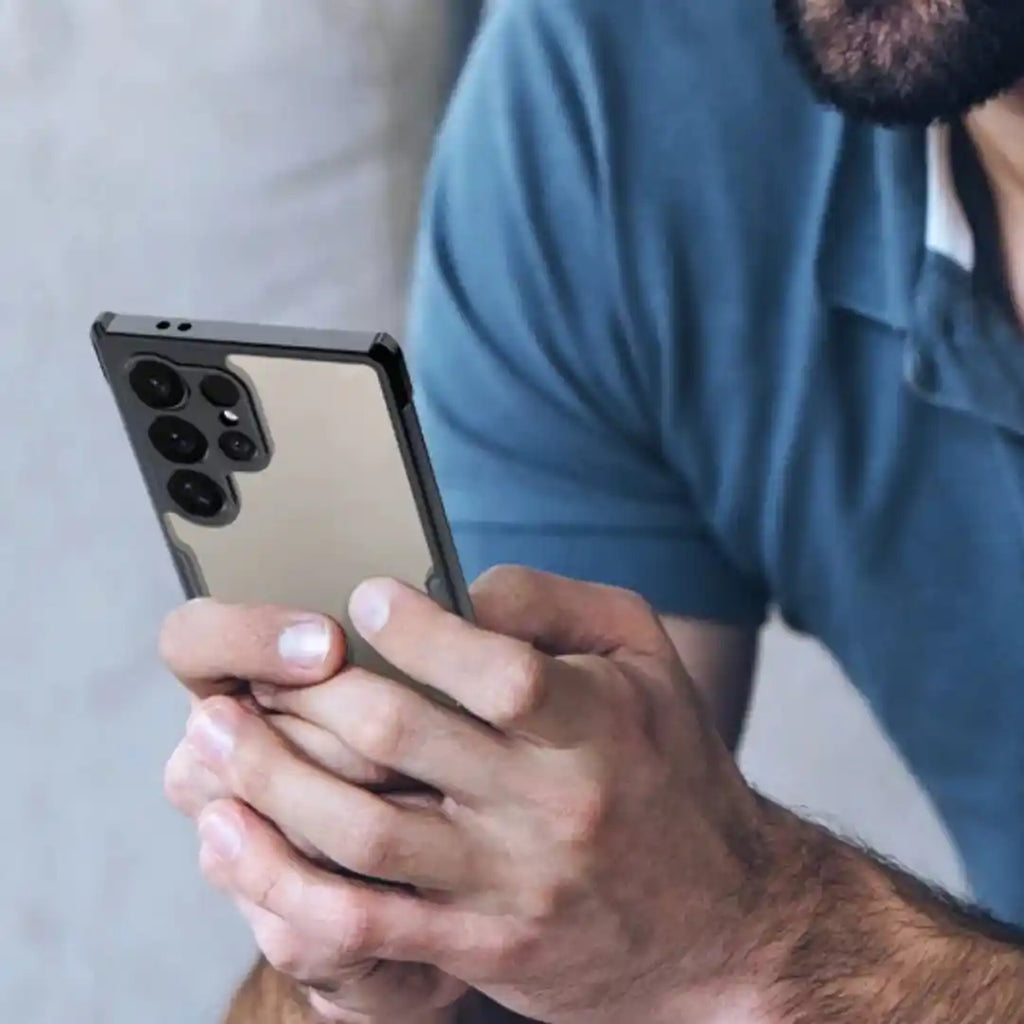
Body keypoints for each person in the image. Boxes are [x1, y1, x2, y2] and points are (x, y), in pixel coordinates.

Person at [160, 0, 1024, 1020]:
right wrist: (374, 918)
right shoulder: (617, 92)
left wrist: (763, 937)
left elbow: (703, 932)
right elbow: (545, 898)